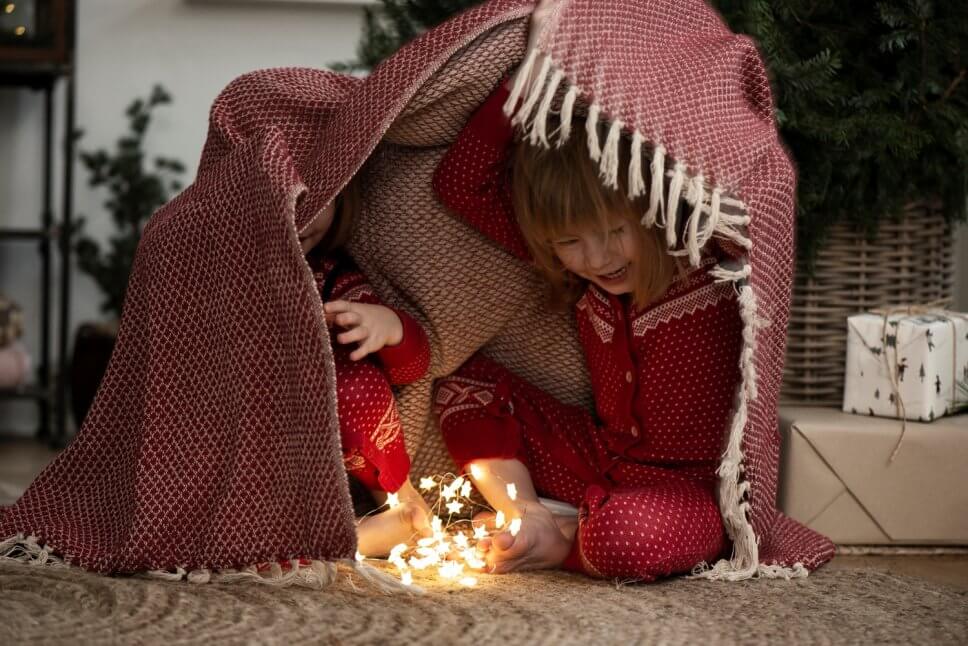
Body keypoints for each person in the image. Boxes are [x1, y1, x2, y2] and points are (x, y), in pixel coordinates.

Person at [430, 0, 744, 582]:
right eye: (571, 241)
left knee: (623, 539)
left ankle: (570, 537)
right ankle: (530, 513)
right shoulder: (577, 272)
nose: (596, 258)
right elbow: (461, 183)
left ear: (647, 208)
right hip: (600, 459)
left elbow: (734, 161)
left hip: (692, 493)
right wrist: (526, 84)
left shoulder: (702, 252)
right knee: (462, 381)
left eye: (613, 233)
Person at [299, 182, 433, 558]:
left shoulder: (332, 279)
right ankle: (345, 540)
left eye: (316, 199)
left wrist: (389, 326)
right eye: (284, 203)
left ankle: (399, 498)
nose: (303, 216)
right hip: (253, 439)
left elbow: (412, 367)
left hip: (323, 434)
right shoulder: (224, 276)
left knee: (355, 381)